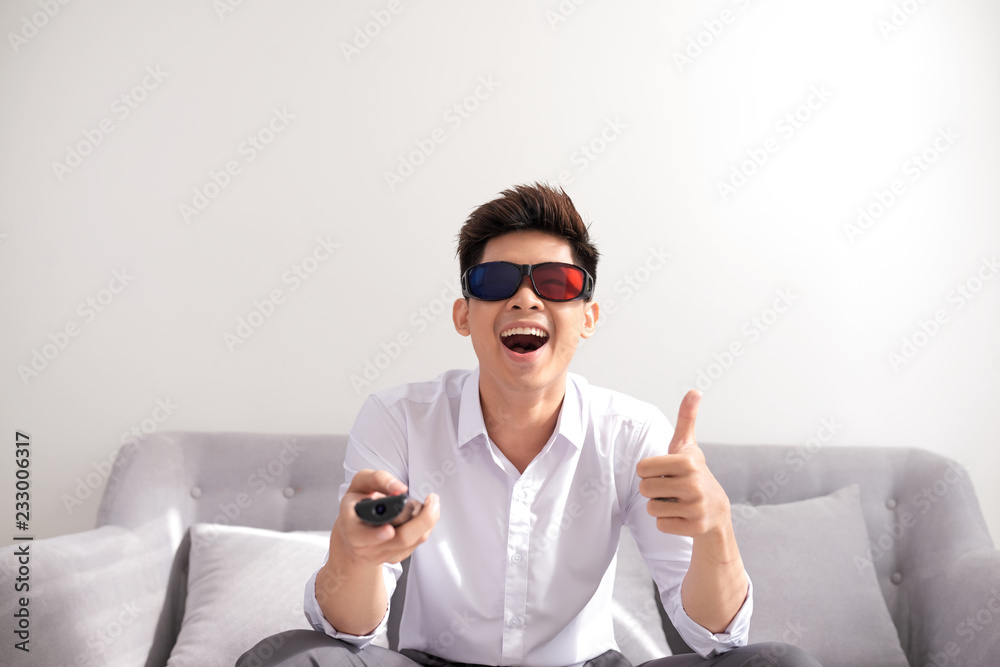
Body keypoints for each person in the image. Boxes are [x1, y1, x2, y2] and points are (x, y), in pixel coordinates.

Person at [237, 183, 820, 667]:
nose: (525, 299)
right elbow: (353, 633)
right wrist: (354, 556)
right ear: (465, 315)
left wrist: (716, 531)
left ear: (587, 317)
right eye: (496, 283)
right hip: (432, 664)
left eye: (555, 284)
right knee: (287, 658)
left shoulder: (631, 431)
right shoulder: (398, 418)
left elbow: (713, 638)